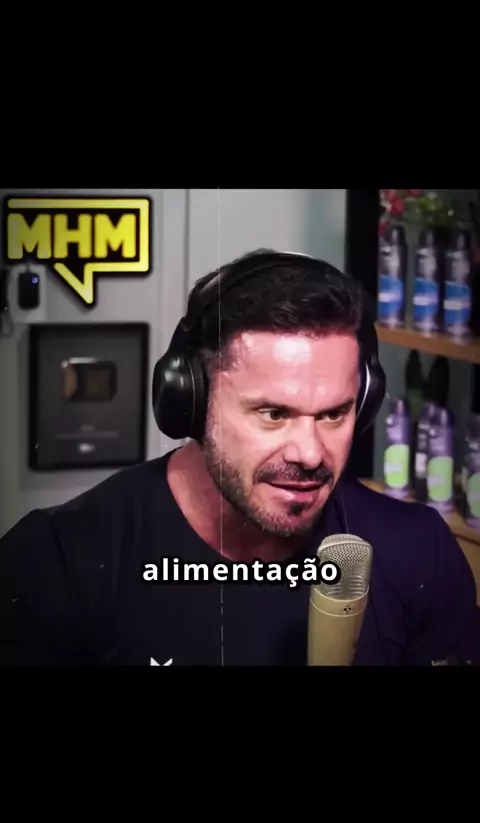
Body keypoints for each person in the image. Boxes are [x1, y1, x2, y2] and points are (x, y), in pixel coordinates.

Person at [1, 249, 479, 666]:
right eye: (274, 414)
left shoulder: (421, 554)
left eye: (334, 414)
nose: (310, 453)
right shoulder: (58, 564)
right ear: (192, 401)